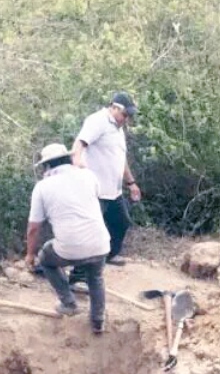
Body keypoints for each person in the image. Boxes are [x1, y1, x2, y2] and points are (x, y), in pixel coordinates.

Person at [25, 142, 109, 335]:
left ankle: (69, 303)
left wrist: (30, 254)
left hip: (69, 248)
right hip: (99, 243)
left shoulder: (42, 187)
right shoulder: (88, 175)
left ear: (47, 165)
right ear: (68, 158)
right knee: (95, 277)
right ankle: (98, 321)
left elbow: (34, 227)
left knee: (45, 259)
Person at [72, 92, 141, 266]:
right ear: (114, 108)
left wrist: (131, 183)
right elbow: (80, 143)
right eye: (125, 114)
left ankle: (110, 255)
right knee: (90, 231)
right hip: (95, 190)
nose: (126, 119)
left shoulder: (118, 128)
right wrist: (77, 161)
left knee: (122, 222)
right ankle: (79, 270)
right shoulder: (98, 121)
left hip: (113, 191)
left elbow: (120, 158)